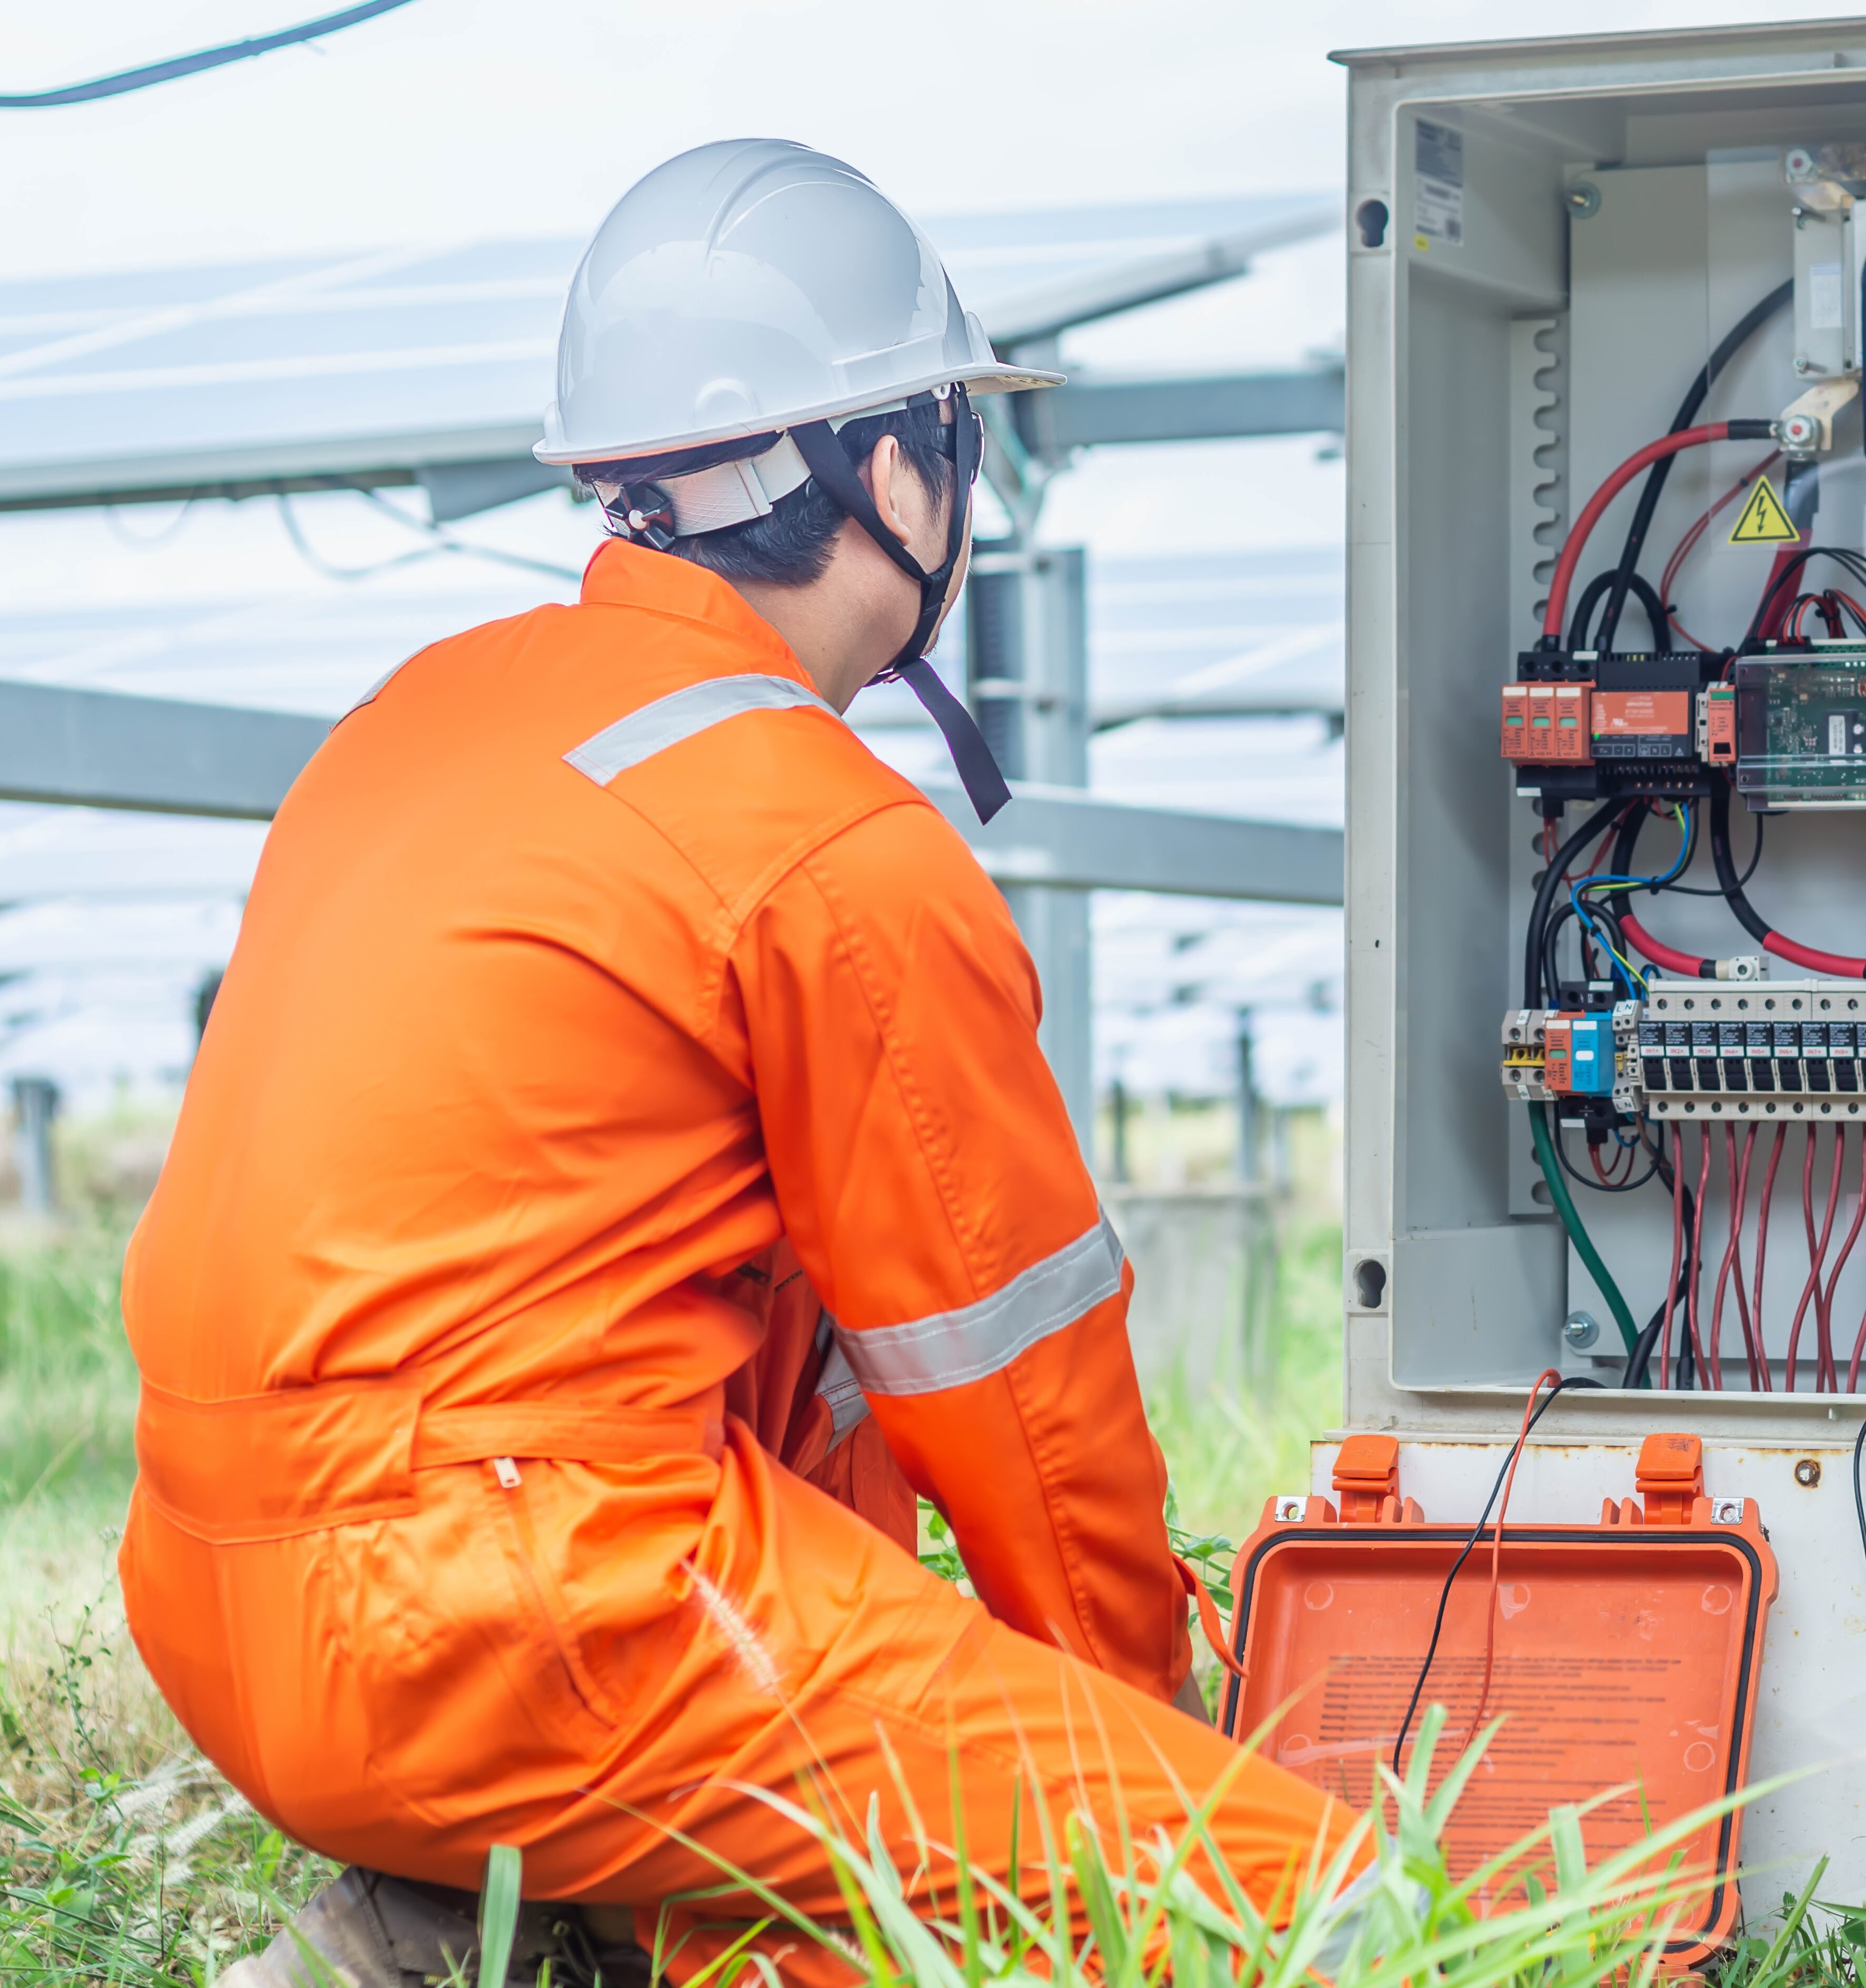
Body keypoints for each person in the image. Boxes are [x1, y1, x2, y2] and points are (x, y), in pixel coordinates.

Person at [121, 140, 1358, 1988]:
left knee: (764, 1311)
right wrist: (1131, 1767)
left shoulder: (412, 720)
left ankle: (491, 1921)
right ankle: (596, 1884)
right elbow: (1020, 1395)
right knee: (1324, 1902)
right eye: (960, 443)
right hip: (527, 1622)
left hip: (224, 1614)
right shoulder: (822, 837)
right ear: (894, 473)